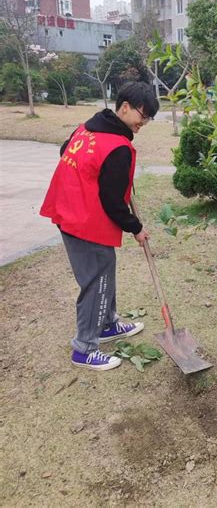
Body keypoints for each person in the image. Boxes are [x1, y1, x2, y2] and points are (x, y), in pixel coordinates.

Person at [40, 81, 159, 371]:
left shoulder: (88, 127)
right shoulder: (117, 147)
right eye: (142, 116)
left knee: (103, 271)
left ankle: (106, 324)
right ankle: (84, 347)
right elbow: (113, 201)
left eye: (149, 118)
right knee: (96, 281)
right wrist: (136, 227)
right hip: (84, 222)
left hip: (68, 212)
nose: (143, 123)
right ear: (125, 107)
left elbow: (65, 151)